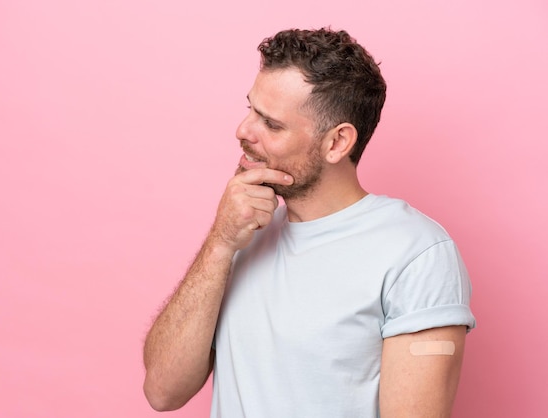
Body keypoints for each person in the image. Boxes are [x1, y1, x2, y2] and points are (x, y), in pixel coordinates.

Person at [143, 27, 475, 417]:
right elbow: (162, 392)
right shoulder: (243, 235)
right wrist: (220, 243)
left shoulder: (417, 254)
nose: (243, 131)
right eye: (250, 109)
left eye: (272, 124)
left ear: (337, 143)